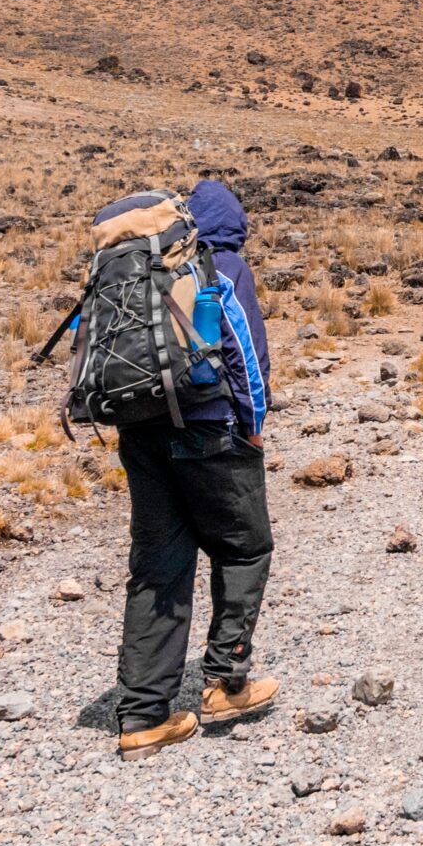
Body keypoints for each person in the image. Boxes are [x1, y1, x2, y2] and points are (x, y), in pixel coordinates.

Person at [113, 178, 277, 758]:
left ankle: (140, 717)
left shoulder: (137, 268)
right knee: (244, 546)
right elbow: (243, 351)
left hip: (141, 434)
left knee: (158, 567)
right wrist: (255, 424)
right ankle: (225, 683)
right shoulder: (222, 265)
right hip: (210, 431)